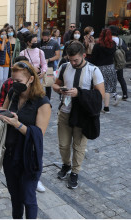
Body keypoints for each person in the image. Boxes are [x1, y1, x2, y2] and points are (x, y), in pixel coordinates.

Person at [0, 60, 51, 218]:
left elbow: (38, 134)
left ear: (31, 79)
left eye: (19, 81)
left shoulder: (42, 102)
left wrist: (18, 124)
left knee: (28, 198)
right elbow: (3, 114)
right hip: (11, 154)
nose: (14, 84)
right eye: (13, 80)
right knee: (15, 197)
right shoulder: (13, 93)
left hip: (29, 156)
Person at [52, 41, 105, 189]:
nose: (73, 62)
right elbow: (56, 84)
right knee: (63, 144)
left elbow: (100, 95)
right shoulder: (64, 66)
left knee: (79, 146)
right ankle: (66, 165)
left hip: (83, 115)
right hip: (65, 110)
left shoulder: (93, 70)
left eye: (75, 60)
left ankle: (75, 172)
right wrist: (60, 89)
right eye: (70, 59)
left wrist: (79, 93)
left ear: (84, 55)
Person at [91, 29, 117, 113]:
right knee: (107, 88)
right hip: (110, 67)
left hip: (99, 68)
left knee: (97, 87)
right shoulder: (113, 44)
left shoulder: (98, 45)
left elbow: (93, 58)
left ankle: (96, 106)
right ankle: (106, 108)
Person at [39, 30, 61, 100]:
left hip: (50, 67)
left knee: (48, 85)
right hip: (39, 66)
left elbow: (58, 56)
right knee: (38, 84)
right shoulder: (40, 43)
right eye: (43, 38)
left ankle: (48, 100)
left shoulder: (54, 43)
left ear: (50, 37)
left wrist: (48, 60)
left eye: (45, 38)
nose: (44, 40)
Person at [109, 25, 129, 101]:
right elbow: (125, 50)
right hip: (119, 61)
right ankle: (125, 94)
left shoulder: (109, 40)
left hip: (111, 61)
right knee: (121, 78)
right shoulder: (120, 40)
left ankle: (114, 94)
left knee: (109, 78)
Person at [0, 28, 11, 97]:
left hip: (7, 62)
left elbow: (9, 52)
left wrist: (10, 62)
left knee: (4, 79)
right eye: (2, 34)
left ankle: (3, 91)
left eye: (5, 34)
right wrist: (3, 40)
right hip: (0, 62)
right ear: (0, 35)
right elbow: (2, 48)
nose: (4, 35)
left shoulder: (8, 42)